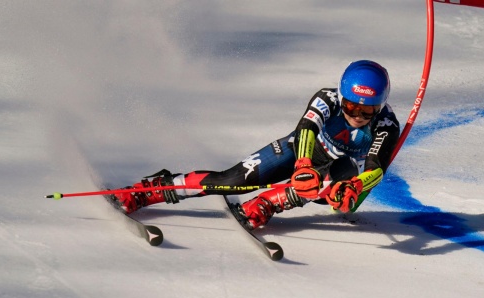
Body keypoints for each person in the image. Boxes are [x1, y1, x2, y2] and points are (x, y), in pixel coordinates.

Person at [111, 60, 400, 229]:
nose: (357, 115)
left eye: (367, 110)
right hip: (299, 150)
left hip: (339, 178)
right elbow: (307, 128)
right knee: (232, 180)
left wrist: (358, 186)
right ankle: (151, 190)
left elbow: (376, 167)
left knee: (345, 169)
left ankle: (268, 202)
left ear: (381, 105)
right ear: (342, 94)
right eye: (351, 106)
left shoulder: (386, 124)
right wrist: (302, 165)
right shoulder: (327, 98)